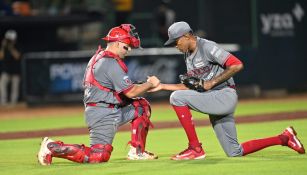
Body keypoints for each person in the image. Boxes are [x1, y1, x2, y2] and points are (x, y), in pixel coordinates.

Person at [149, 21, 305, 160]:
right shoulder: (188, 55)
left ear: (187, 36)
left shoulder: (207, 47)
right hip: (214, 98)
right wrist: (163, 86)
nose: (175, 45)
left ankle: (195, 148)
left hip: (224, 95)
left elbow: (236, 64)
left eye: (176, 41)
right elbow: (194, 87)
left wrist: (211, 83)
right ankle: (284, 138)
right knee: (234, 152)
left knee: (176, 98)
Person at [37, 24, 160, 165]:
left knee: (141, 106)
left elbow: (117, 88)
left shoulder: (101, 56)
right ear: (118, 43)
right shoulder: (110, 62)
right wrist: (150, 83)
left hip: (108, 108)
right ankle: (52, 147)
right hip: (103, 113)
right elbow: (131, 92)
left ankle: (137, 152)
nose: (129, 50)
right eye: (127, 46)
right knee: (99, 156)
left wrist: (140, 85)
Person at [0, 29, 22, 106]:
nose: (9, 41)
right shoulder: (4, 47)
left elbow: (18, 56)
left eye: (10, 39)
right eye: (8, 39)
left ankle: (13, 104)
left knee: (15, 88)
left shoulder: (17, 46)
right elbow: (1, 57)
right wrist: (3, 47)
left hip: (16, 71)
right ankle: (3, 102)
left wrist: (11, 48)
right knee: (2, 85)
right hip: (6, 70)